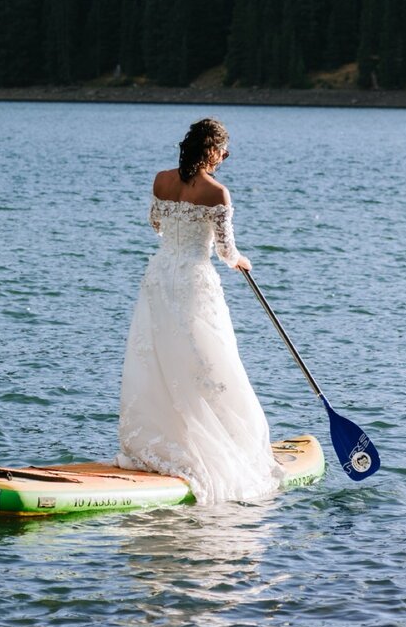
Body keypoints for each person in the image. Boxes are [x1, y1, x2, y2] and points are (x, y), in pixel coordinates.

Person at [116, 117, 283, 504]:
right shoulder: (218, 193)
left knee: (159, 357)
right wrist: (242, 261)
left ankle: (159, 445)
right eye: (224, 150)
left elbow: (156, 224)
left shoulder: (161, 179)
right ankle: (211, 447)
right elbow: (226, 252)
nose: (226, 156)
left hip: (160, 275)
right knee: (207, 359)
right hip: (193, 279)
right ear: (212, 151)